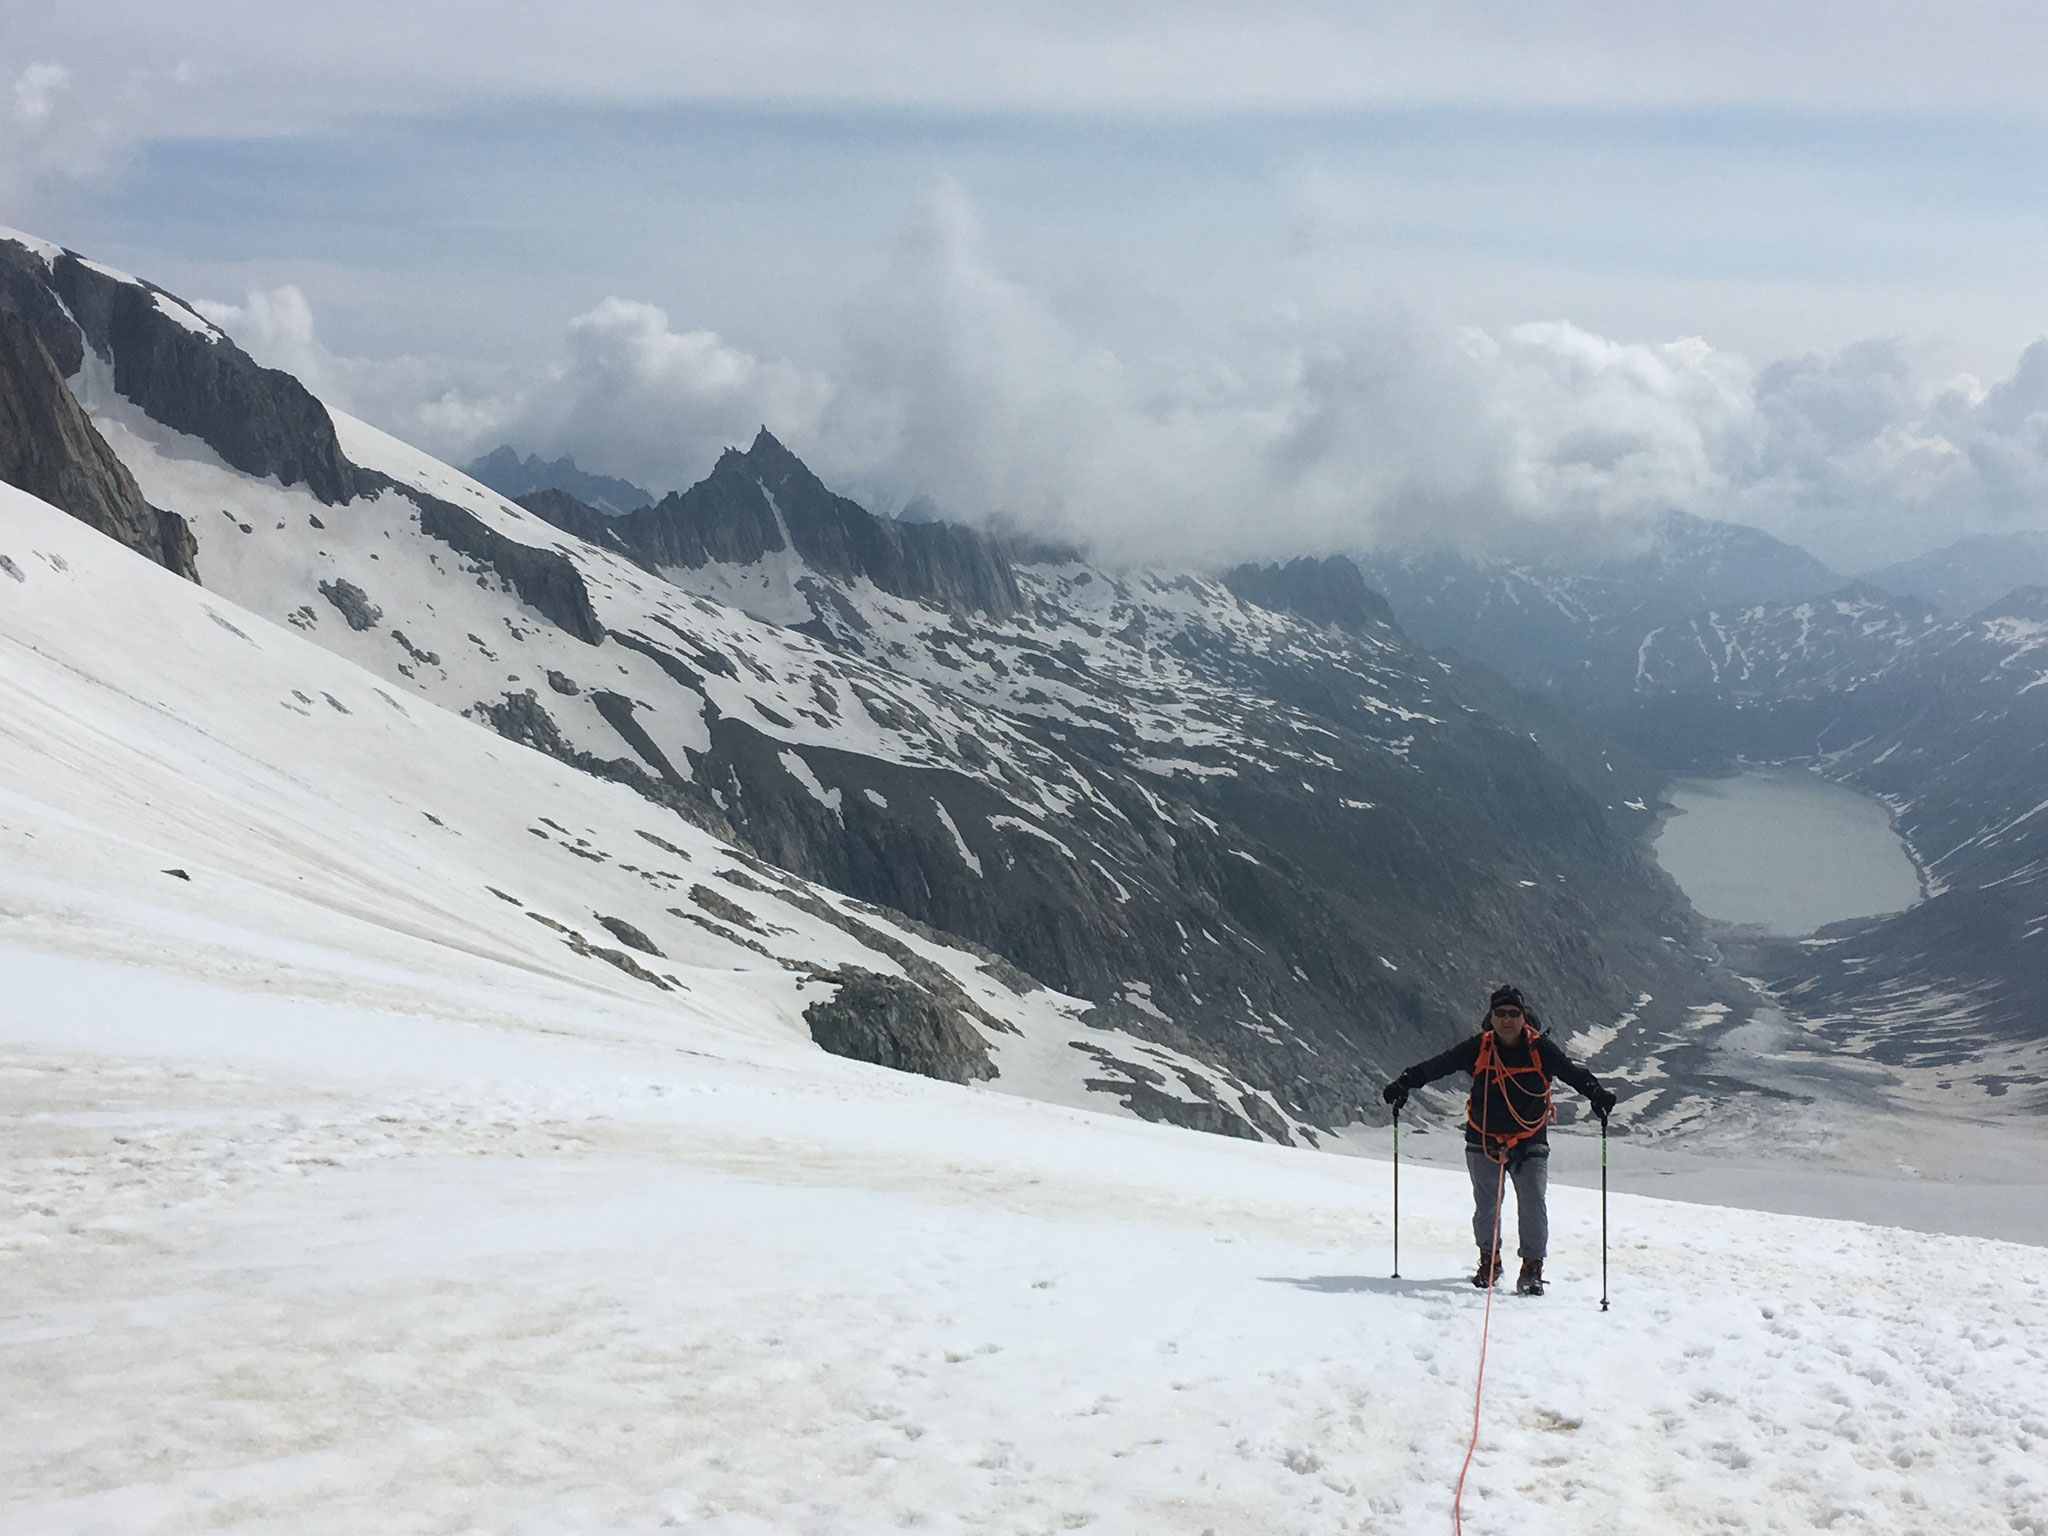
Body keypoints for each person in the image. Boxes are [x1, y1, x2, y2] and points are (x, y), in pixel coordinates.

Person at [1381, 984, 1616, 1296]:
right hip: (1485, 1138)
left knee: (1531, 1204)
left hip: (1526, 1139)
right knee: (1488, 1206)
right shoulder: (1480, 1046)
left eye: (1513, 1013)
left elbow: (1570, 1072)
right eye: (1500, 1013)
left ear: (1523, 1017)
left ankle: (1531, 1267)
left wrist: (1595, 1093)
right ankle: (1490, 1261)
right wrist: (1406, 1082)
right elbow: (1439, 1064)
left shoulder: (1539, 1048)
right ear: (1491, 1017)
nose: (1507, 1020)